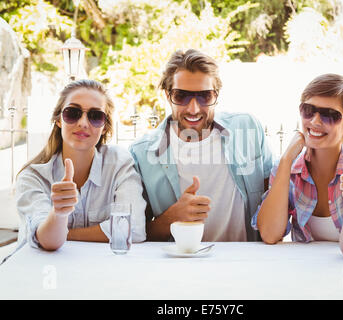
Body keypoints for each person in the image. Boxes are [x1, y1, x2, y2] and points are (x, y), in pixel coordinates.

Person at [252, 73, 343, 269]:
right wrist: (286, 161)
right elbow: (270, 234)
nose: (315, 121)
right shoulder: (287, 168)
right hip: (315, 275)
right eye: (308, 110)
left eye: (329, 115)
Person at [129, 49, 273, 242]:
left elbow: (271, 199)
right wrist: (172, 218)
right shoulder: (141, 153)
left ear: (216, 96)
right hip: (181, 265)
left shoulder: (247, 128)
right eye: (181, 96)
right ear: (167, 94)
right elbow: (139, 233)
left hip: (243, 260)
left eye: (205, 96)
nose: (193, 109)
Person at [16, 79, 146, 251]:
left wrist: (66, 232)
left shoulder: (119, 163)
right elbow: (47, 241)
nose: (83, 123)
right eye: (73, 113)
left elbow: (134, 229)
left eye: (95, 116)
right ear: (59, 120)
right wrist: (58, 214)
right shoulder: (33, 177)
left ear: (105, 127)